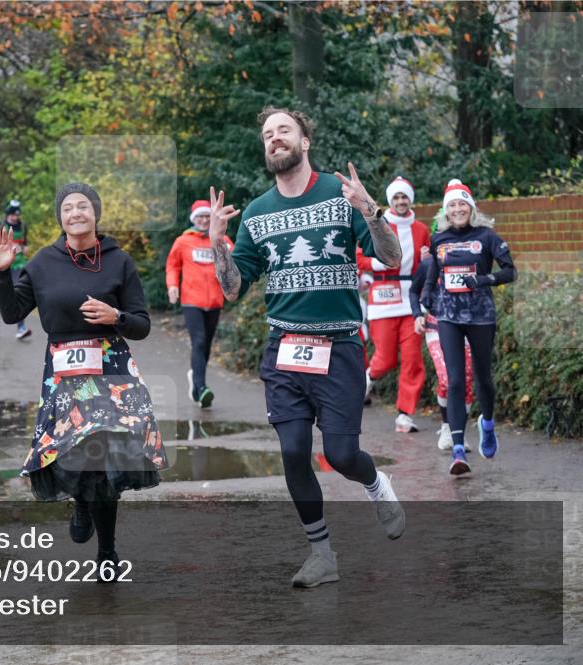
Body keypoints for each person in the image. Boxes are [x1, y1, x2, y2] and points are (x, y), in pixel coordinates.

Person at [209, 106, 406, 588]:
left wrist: (370, 210)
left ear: (305, 141)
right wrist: (218, 243)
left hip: (339, 346)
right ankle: (322, 555)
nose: (274, 139)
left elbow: (392, 257)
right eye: (267, 134)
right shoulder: (256, 213)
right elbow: (233, 288)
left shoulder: (340, 198)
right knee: (293, 451)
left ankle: (377, 484)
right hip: (284, 348)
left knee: (340, 454)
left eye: (283, 131)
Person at [0, 182, 168, 579]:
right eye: (67, 208)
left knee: (105, 455)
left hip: (111, 369)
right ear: (60, 217)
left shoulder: (119, 261)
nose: (75, 213)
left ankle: (107, 551)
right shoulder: (41, 263)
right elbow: (12, 313)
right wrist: (3, 273)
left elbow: (141, 325)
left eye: (82, 206)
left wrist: (116, 317)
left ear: (95, 213)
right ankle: (81, 503)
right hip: (64, 372)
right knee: (70, 451)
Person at [420, 180, 516, 475]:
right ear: (445, 211)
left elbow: (510, 270)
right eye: (452, 205)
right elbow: (433, 271)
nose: (458, 209)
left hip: (481, 316)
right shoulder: (439, 239)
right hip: (449, 316)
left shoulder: (486, 236)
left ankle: (487, 425)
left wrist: (485, 280)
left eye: (462, 204)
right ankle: (458, 450)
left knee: (483, 378)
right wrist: (426, 295)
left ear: (471, 208)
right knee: (456, 380)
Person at [358, 176, 431, 433]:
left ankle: (404, 415)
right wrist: (376, 263)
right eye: (396, 197)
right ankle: (367, 378)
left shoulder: (421, 229)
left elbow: (429, 263)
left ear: (410, 199)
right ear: (390, 200)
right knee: (385, 359)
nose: (401, 201)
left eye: (404, 197)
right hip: (383, 299)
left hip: (412, 301)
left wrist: (427, 260)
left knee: (412, 360)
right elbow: (358, 255)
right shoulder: (379, 224)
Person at [165, 200, 235, 408]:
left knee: (207, 346)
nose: (204, 220)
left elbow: (235, 258)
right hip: (191, 301)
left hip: (215, 301)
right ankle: (202, 386)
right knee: (199, 341)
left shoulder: (222, 240)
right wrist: (172, 286)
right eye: (200, 217)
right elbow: (172, 265)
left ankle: (196, 383)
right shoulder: (183, 241)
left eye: (207, 216)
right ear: (194, 220)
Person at [410, 240, 474, 451]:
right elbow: (414, 291)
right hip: (436, 326)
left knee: (466, 381)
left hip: (466, 325)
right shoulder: (429, 264)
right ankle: (447, 426)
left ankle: (459, 433)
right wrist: (418, 315)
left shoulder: (474, 260)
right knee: (447, 379)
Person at [0, 200, 31, 340]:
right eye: (11, 215)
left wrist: (24, 248)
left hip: (18, 263)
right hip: (2, 264)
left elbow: (24, 244)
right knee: (0, 295)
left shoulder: (23, 226)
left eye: (16, 215)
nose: (14, 217)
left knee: (17, 289)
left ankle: (21, 327)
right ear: (7, 214)